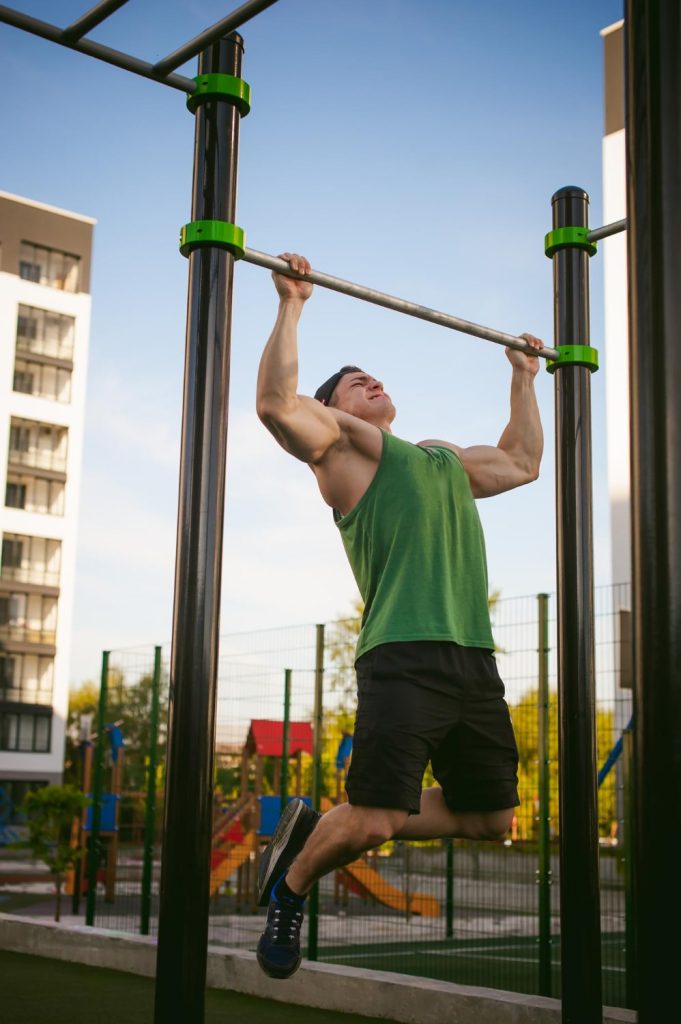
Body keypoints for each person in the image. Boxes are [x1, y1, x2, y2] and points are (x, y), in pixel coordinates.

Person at [254, 252, 544, 979]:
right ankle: (292, 884)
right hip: (403, 653)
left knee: (490, 818)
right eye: (353, 381)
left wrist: (521, 377)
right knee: (379, 818)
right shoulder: (344, 455)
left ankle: (334, 823)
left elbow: (521, 462)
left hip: (471, 658)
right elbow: (275, 405)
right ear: (336, 409)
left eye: (373, 374)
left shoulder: (440, 457)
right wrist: (292, 305)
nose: (369, 379)